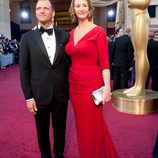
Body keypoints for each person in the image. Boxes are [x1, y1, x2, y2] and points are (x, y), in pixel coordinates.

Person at [65, 0, 119, 157]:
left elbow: (104, 62)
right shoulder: (71, 33)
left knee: (92, 126)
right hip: (74, 87)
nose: (81, 8)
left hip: (91, 86)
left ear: (89, 9)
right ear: (73, 9)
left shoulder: (98, 31)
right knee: (82, 127)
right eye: (77, 6)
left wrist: (107, 87)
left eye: (84, 5)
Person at [19, 0, 70, 158]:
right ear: (35, 12)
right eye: (38, 8)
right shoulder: (27, 37)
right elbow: (24, 70)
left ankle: (59, 155)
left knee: (60, 129)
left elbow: (70, 64)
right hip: (38, 94)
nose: (41, 11)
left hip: (60, 93)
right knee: (42, 131)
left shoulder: (65, 36)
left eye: (45, 8)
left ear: (52, 12)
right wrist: (28, 97)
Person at [123, 0, 151, 96]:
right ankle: (137, 85)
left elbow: (144, 3)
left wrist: (131, 3)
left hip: (141, 16)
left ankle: (141, 87)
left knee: (141, 53)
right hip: (135, 18)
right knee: (137, 54)